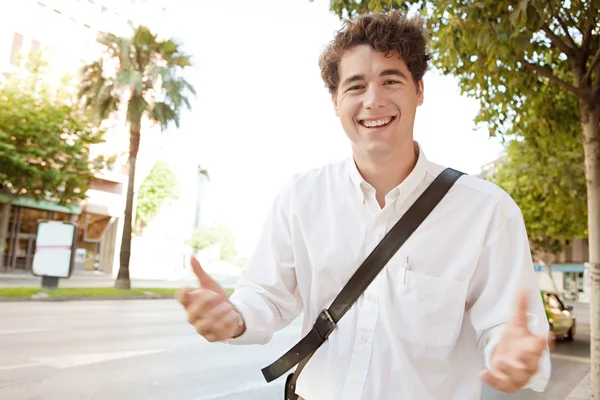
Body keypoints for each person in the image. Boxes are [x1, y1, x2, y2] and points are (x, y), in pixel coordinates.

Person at [177, 10, 551, 400]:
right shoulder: (301, 197)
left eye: (391, 80)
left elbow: (509, 329)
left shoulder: (487, 211)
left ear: (419, 90)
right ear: (336, 101)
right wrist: (233, 318)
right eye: (355, 86)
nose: (373, 100)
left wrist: (514, 357)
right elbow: (266, 296)